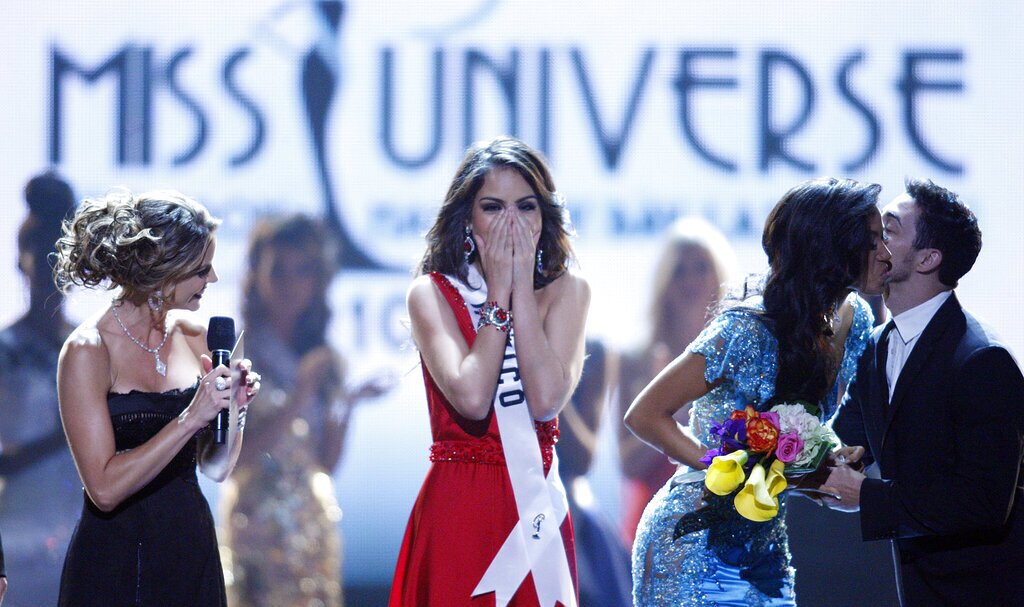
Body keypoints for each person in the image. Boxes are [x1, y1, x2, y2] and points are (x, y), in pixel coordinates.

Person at [624, 177, 892, 606]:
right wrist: (727, 467)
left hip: (764, 547)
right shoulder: (745, 328)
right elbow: (644, 414)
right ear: (832, 247)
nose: (886, 254)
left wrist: (824, 463)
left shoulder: (854, 319)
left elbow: (800, 440)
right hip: (691, 538)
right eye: (874, 240)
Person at [389, 136, 589, 607]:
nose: (512, 223)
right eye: (493, 208)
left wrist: (521, 287)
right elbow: (473, 399)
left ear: (545, 217)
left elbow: (543, 401)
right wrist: (497, 291)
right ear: (467, 220)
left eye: (526, 207)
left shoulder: (568, 292)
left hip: (535, 510)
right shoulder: (431, 294)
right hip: (459, 508)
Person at [52, 188, 261, 606]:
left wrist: (233, 409)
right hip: (116, 560)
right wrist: (189, 417)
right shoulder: (88, 351)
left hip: (188, 549)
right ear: (163, 271)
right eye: (202, 270)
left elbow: (215, 468)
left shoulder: (196, 338)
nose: (213, 280)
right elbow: (105, 489)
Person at [825, 179, 1024, 606]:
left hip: (986, 591)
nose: (873, 244)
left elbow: (984, 502)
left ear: (929, 258)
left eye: (889, 232)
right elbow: (842, 443)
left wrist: (869, 497)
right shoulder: (876, 347)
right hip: (919, 589)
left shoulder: (982, 361)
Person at [220, 214, 393, 607]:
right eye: (278, 270)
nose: (290, 285)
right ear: (256, 275)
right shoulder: (239, 354)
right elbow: (231, 460)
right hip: (255, 527)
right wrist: (298, 397)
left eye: (302, 271)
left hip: (311, 525)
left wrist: (348, 404)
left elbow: (325, 463)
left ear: (318, 281)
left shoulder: (323, 357)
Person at [616, 217, 735, 545]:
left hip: (729, 518)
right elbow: (628, 466)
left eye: (701, 267)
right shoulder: (636, 358)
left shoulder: (739, 356)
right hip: (658, 521)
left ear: (719, 275)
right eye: (679, 270)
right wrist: (667, 410)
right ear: (663, 281)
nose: (691, 280)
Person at [0, 171, 80, 606]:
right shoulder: (4, 351)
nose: (50, 272)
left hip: (79, 537)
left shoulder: (96, 347)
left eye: (59, 257)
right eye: (41, 254)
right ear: (21, 259)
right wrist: (67, 434)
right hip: (16, 539)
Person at [558, 339, 632, 607]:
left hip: (566, 515)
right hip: (497, 501)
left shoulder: (592, 351)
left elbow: (583, 459)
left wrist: (544, 378)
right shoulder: (494, 340)